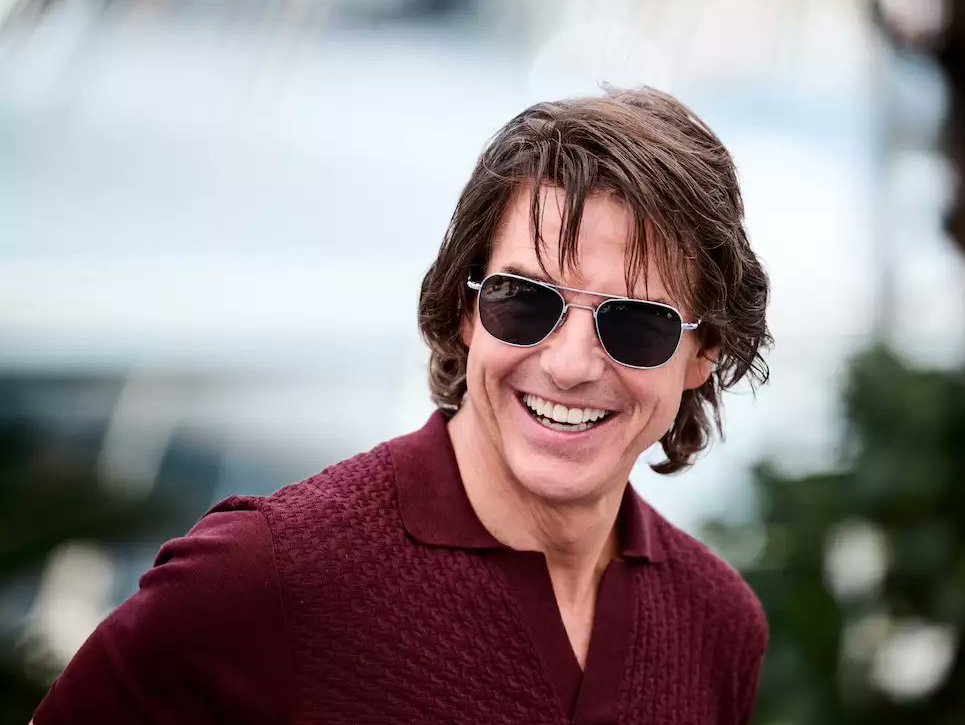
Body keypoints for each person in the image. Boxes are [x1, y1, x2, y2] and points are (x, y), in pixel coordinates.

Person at [33, 87, 773, 724]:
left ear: (703, 352)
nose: (571, 364)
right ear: (465, 309)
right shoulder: (264, 575)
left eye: (637, 323)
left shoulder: (718, 624)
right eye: (524, 301)